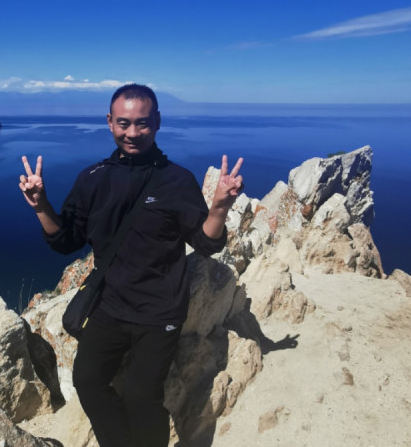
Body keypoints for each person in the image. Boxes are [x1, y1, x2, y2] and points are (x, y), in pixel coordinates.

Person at [19, 84, 243, 447]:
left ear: (157, 122)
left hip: (160, 310)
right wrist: (41, 205)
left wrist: (218, 208)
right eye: (123, 123)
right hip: (109, 306)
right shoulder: (93, 179)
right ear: (109, 122)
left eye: (143, 123)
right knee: (87, 382)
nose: (133, 133)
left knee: (142, 397)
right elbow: (66, 241)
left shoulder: (177, 180)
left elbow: (205, 243)